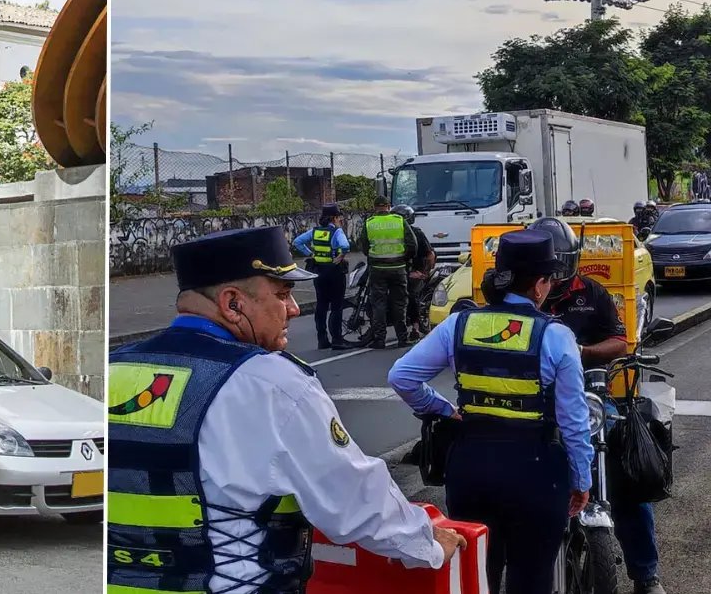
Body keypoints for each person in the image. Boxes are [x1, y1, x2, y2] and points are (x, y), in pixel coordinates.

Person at [108, 226, 466, 594]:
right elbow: (352, 498)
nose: (294, 309)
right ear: (233, 304)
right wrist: (427, 543)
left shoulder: (113, 368)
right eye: (282, 295)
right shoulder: (271, 382)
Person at [387, 229, 593, 594]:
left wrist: (443, 409)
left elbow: (401, 377)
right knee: (530, 578)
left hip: (471, 469)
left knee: (476, 576)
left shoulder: (458, 324)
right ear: (541, 285)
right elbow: (574, 421)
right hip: (536, 473)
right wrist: (581, 479)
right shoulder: (556, 337)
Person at [531, 217, 665, 594]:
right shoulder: (524, 300)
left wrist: (583, 353)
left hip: (590, 398)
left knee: (628, 479)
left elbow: (620, 342)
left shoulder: (592, 293)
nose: (554, 276)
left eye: (560, 266)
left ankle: (646, 574)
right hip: (535, 400)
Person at [358, 196, 417, 348]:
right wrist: (405, 259)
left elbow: (363, 245)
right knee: (399, 303)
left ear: (375, 207)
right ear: (389, 206)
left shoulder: (369, 223)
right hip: (398, 268)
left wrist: (374, 256)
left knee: (379, 304)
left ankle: (380, 340)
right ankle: (402, 338)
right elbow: (412, 244)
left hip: (377, 269)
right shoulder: (399, 220)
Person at [292, 203, 350, 350]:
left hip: (319, 272)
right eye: (339, 217)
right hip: (335, 272)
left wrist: (310, 254)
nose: (340, 220)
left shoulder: (315, 231)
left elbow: (297, 242)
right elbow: (345, 246)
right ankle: (337, 339)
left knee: (321, 305)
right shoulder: (337, 232)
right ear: (334, 218)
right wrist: (341, 256)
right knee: (336, 306)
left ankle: (322, 340)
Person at [394, 204, 435, 340]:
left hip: (415, 272)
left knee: (411, 295)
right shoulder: (393, 235)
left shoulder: (417, 233)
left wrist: (424, 273)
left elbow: (430, 255)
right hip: (398, 271)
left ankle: (415, 328)